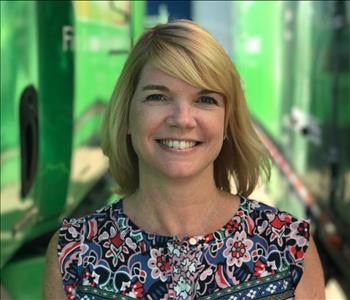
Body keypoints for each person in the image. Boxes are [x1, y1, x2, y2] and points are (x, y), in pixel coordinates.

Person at [44, 19, 325, 299]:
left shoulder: (289, 247)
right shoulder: (74, 253)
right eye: (157, 97)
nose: (182, 119)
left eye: (205, 100)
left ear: (227, 122)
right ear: (127, 115)